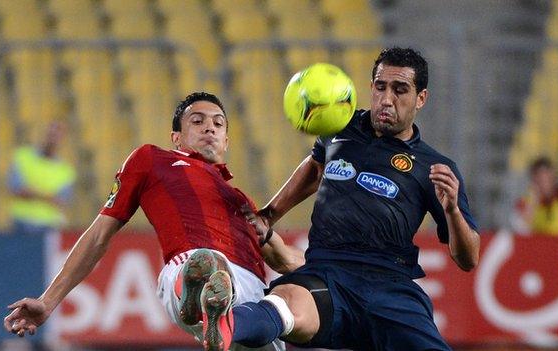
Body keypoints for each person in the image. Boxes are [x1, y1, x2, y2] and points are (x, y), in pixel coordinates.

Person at [199, 47, 481, 351]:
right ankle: (224, 324)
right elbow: (315, 168)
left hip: (390, 287)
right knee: (287, 303)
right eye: (381, 87)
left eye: (400, 90)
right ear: (371, 87)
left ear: (421, 98)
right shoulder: (338, 127)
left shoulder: (433, 167)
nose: (387, 99)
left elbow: (468, 259)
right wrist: (270, 214)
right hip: (327, 272)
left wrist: (451, 210)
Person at [3, 92, 304, 351]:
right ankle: (199, 292)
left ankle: (211, 304)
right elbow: (98, 235)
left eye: (218, 123)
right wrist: (48, 301)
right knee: (207, 263)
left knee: (252, 303)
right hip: (189, 263)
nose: (209, 128)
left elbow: (286, 261)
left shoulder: (242, 202)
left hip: (252, 293)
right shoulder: (152, 160)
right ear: (176, 137)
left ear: (226, 140)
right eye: (197, 121)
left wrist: (341, 269)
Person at [7, 121, 76, 235]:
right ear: (44, 134)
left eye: (56, 135)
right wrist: (48, 196)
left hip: (49, 226)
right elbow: (16, 189)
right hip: (21, 223)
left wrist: (33, 192)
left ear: (63, 139)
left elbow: (61, 201)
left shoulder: (66, 171)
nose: (52, 139)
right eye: (50, 134)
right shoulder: (22, 156)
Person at [511, 156, 558, 236]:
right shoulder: (526, 200)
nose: (543, 183)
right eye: (539, 179)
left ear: (553, 177)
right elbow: (520, 230)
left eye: (546, 178)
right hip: (536, 245)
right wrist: (533, 203)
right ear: (533, 180)